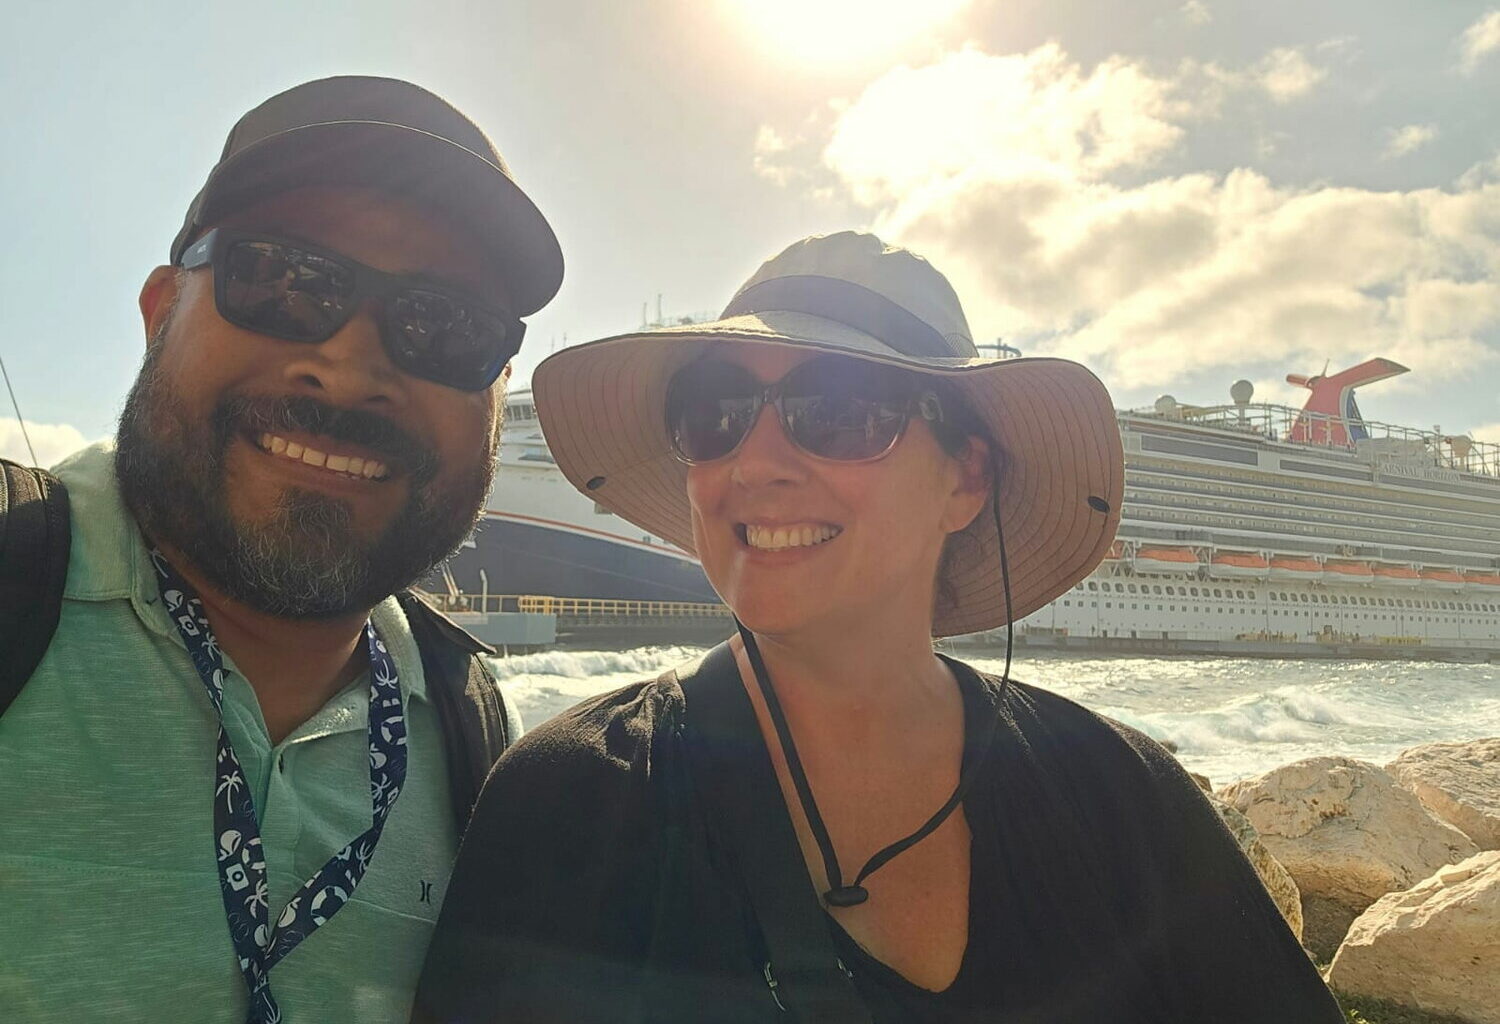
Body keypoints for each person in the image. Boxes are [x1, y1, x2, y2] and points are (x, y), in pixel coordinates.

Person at [414, 232, 1345, 1023]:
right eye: (717, 412)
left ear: (966, 478)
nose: (759, 460)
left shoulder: (1121, 800)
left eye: (842, 410)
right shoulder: (572, 798)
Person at [0, 76, 561, 1023]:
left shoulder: (476, 731)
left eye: (445, 327)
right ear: (160, 311)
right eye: (286, 279)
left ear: (496, 394)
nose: (348, 367)